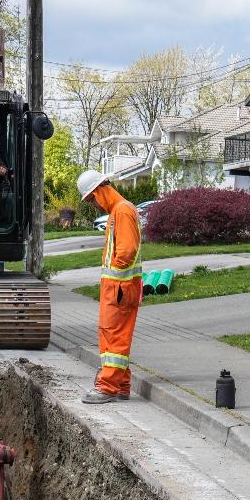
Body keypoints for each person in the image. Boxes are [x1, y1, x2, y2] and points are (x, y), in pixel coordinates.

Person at [77, 169, 141, 404]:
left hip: (119, 286)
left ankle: (107, 387)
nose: (94, 205)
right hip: (118, 286)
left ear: (99, 191)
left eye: (91, 199)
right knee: (112, 335)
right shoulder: (119, 211)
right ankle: (121, 384)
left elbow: (127, 251)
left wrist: (115, 271)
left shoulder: (122, 211)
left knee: (114, 337)